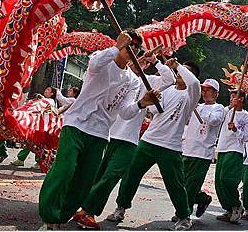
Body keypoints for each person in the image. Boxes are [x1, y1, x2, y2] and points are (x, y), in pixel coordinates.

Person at [38, 30, 162, 230]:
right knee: (65, 169)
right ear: (122, 42)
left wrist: (142, 103)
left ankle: (61, 216)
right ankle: (49, 216)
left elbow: (126, 112)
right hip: (77, 124)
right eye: (131, 43)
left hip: (100, 134)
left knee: (85, 181)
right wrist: (116, 46)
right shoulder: (102, 59)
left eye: (137, 46)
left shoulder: (132, 80)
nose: (134, 49)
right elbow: (94, 64)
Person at [74, 49, 176, 229]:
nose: (138, 62)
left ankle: (88, 210)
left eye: (142, 61)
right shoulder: (117, 76)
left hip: (129, 140)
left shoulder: (148, 82)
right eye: (135, 58)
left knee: (111, 176)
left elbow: (170, 80)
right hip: (107, 135)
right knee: (96, 175)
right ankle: (78, 206)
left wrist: (156, 61)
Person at [107, 61, 201, 231]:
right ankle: (120, 208)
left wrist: (177, 65)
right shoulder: (168, 90)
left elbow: (193, 82)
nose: (179, 73)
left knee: (175, 184)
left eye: (185, 72)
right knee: (131, 175)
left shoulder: (192, 94)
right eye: (180, 71)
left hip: (170, 146)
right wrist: (154, 100)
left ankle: (184, 217)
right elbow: (157, 111)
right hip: (148, 141)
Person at [181, 78, 225, 220]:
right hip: (187, 149)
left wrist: (200, 109)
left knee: (192, 184)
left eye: (208, 90)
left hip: (203, 152)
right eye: (203, 90)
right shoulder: (197, 106)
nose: (205, 93)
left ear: (216, 93)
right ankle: (202, 198)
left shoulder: (219, 108)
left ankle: (183, 214)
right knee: (182, 182)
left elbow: (214, 121)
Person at [214, 90, 248, 223]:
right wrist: (230, 107)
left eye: (235, 96)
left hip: (235, 150)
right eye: (231, 96)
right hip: (222, 148)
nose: (232, 98)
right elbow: (217, 118)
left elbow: (246, 137)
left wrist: (236, 130)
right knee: (218, 181)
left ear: (241, 99)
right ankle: (229, 209)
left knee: (227, 179)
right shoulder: (226, 112)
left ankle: (236, 205)